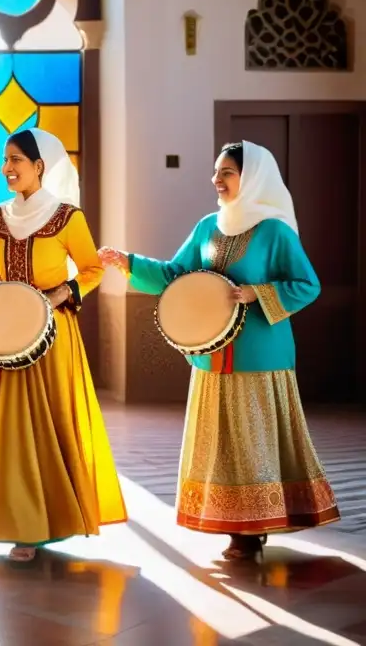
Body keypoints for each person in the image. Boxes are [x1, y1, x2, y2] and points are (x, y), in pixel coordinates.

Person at [98, 141, 339, 560]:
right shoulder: (208, 227)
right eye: (216, 172)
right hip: (211, 354)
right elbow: (176, 274)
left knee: (253, 441)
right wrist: (128, 262)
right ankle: (231, 523)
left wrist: (257, 292)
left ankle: (253, 528)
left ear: (252, 178)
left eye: (227, 172)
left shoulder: (275, 231)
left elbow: (307, 285)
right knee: (220, 444)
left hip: (260, 355)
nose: (216, 180)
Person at [0, 129, 127, 562]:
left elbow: (91, 269)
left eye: (16, 159)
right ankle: (21, 524)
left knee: (53, 424)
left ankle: (55, 518)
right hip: (7, 338)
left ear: (40, 166)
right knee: (10, 428)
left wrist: (62, 292)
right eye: (5, 159)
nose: (7, 168)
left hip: (54, 336)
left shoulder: (67, 217)